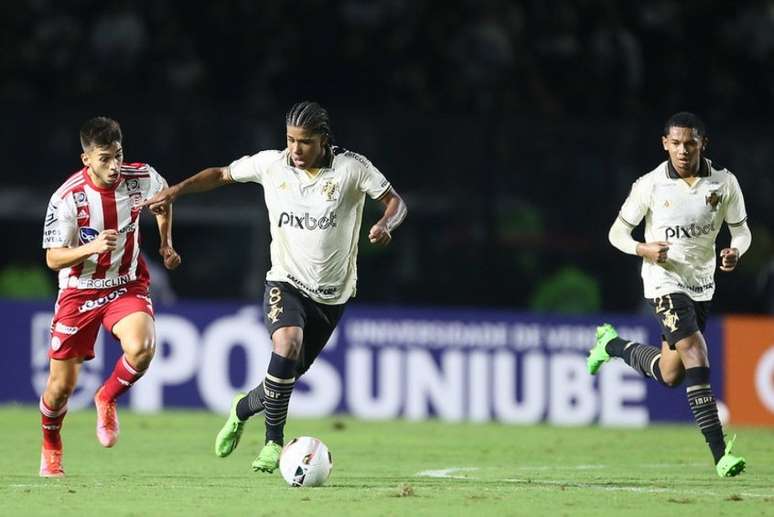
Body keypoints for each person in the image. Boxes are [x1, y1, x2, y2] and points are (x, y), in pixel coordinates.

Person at [144, 101, 408, 474]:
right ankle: (273, 443)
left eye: (304, 142)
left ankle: (240, 410)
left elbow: (395, 202)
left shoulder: (352, 168)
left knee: (283, 378)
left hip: (333, 296)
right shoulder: (272, 164)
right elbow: (220, 174)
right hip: (284, 281)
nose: (295, 150)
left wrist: (385, 225)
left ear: (324, 140)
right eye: (290, 140)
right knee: (286, 344)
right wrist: (176, 192)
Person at [587, 112, 751, 478]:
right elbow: (617, 233)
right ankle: (721, 454)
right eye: (675, 143)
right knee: (695, 351)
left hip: (702, 284)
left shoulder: (724, 183)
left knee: (670, 372)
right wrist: (642, 249)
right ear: (664, 144)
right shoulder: (649, 185)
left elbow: (741, 231)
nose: (682, 150)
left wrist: (735, 250)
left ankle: (611, 344)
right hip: (662, 283)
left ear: (702, 144)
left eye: (689, 143)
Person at [40, 116, 181, 477]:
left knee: (143, 347)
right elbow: (53, 258)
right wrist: (90, 248)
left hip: (125, 283)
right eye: (105, 158)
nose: (114, 165)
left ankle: (106, 397)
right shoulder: (67, 198)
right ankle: (51, 444)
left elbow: (162, 201)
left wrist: (165, 243)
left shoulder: (142, 178)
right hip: (79, 292)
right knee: (60, 388)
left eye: (118, 155)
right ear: (87, 158)